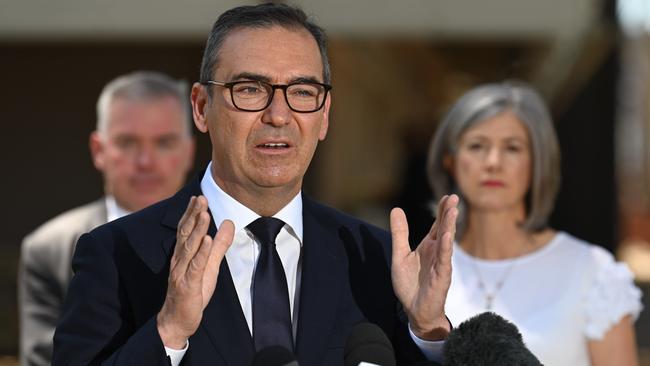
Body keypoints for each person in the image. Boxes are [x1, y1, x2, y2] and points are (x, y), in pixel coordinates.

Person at [52, 4, 459, 366]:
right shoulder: (116, 253)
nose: (279, 115)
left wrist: (427, 333)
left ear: (325, 114)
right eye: (250, 90)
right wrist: (170, 330)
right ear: (200, 108)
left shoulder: (375, 258)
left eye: (302, 91)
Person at [427, 81, 643, 366]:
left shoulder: (591, 271)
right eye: (477, 145)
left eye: (512, 148)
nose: (493, 162)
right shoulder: (424, 269)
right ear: (450, 161)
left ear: (537, 162)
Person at [19, 71, 196, 366]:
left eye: (164, 142)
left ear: (188, 151)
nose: (145, 162)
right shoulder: (48, 248)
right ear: (98, 150)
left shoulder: (229, 233)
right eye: (127, 143)